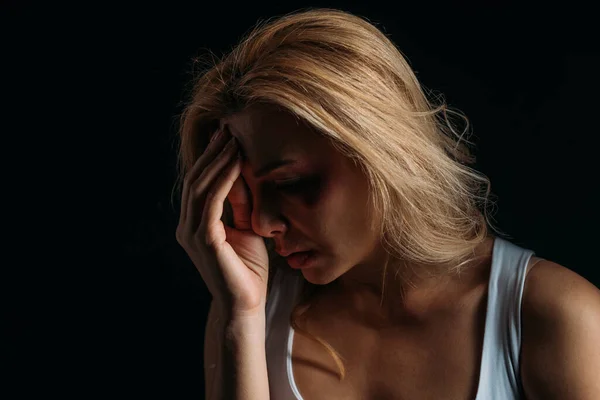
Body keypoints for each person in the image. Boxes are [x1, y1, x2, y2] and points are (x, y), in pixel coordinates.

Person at [173, 8, 600, 400]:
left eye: (291, 183)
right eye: (244, 195)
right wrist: (241, 317)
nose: (264, 223)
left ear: (383, 155)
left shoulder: (554, 317)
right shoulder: (249, 313)